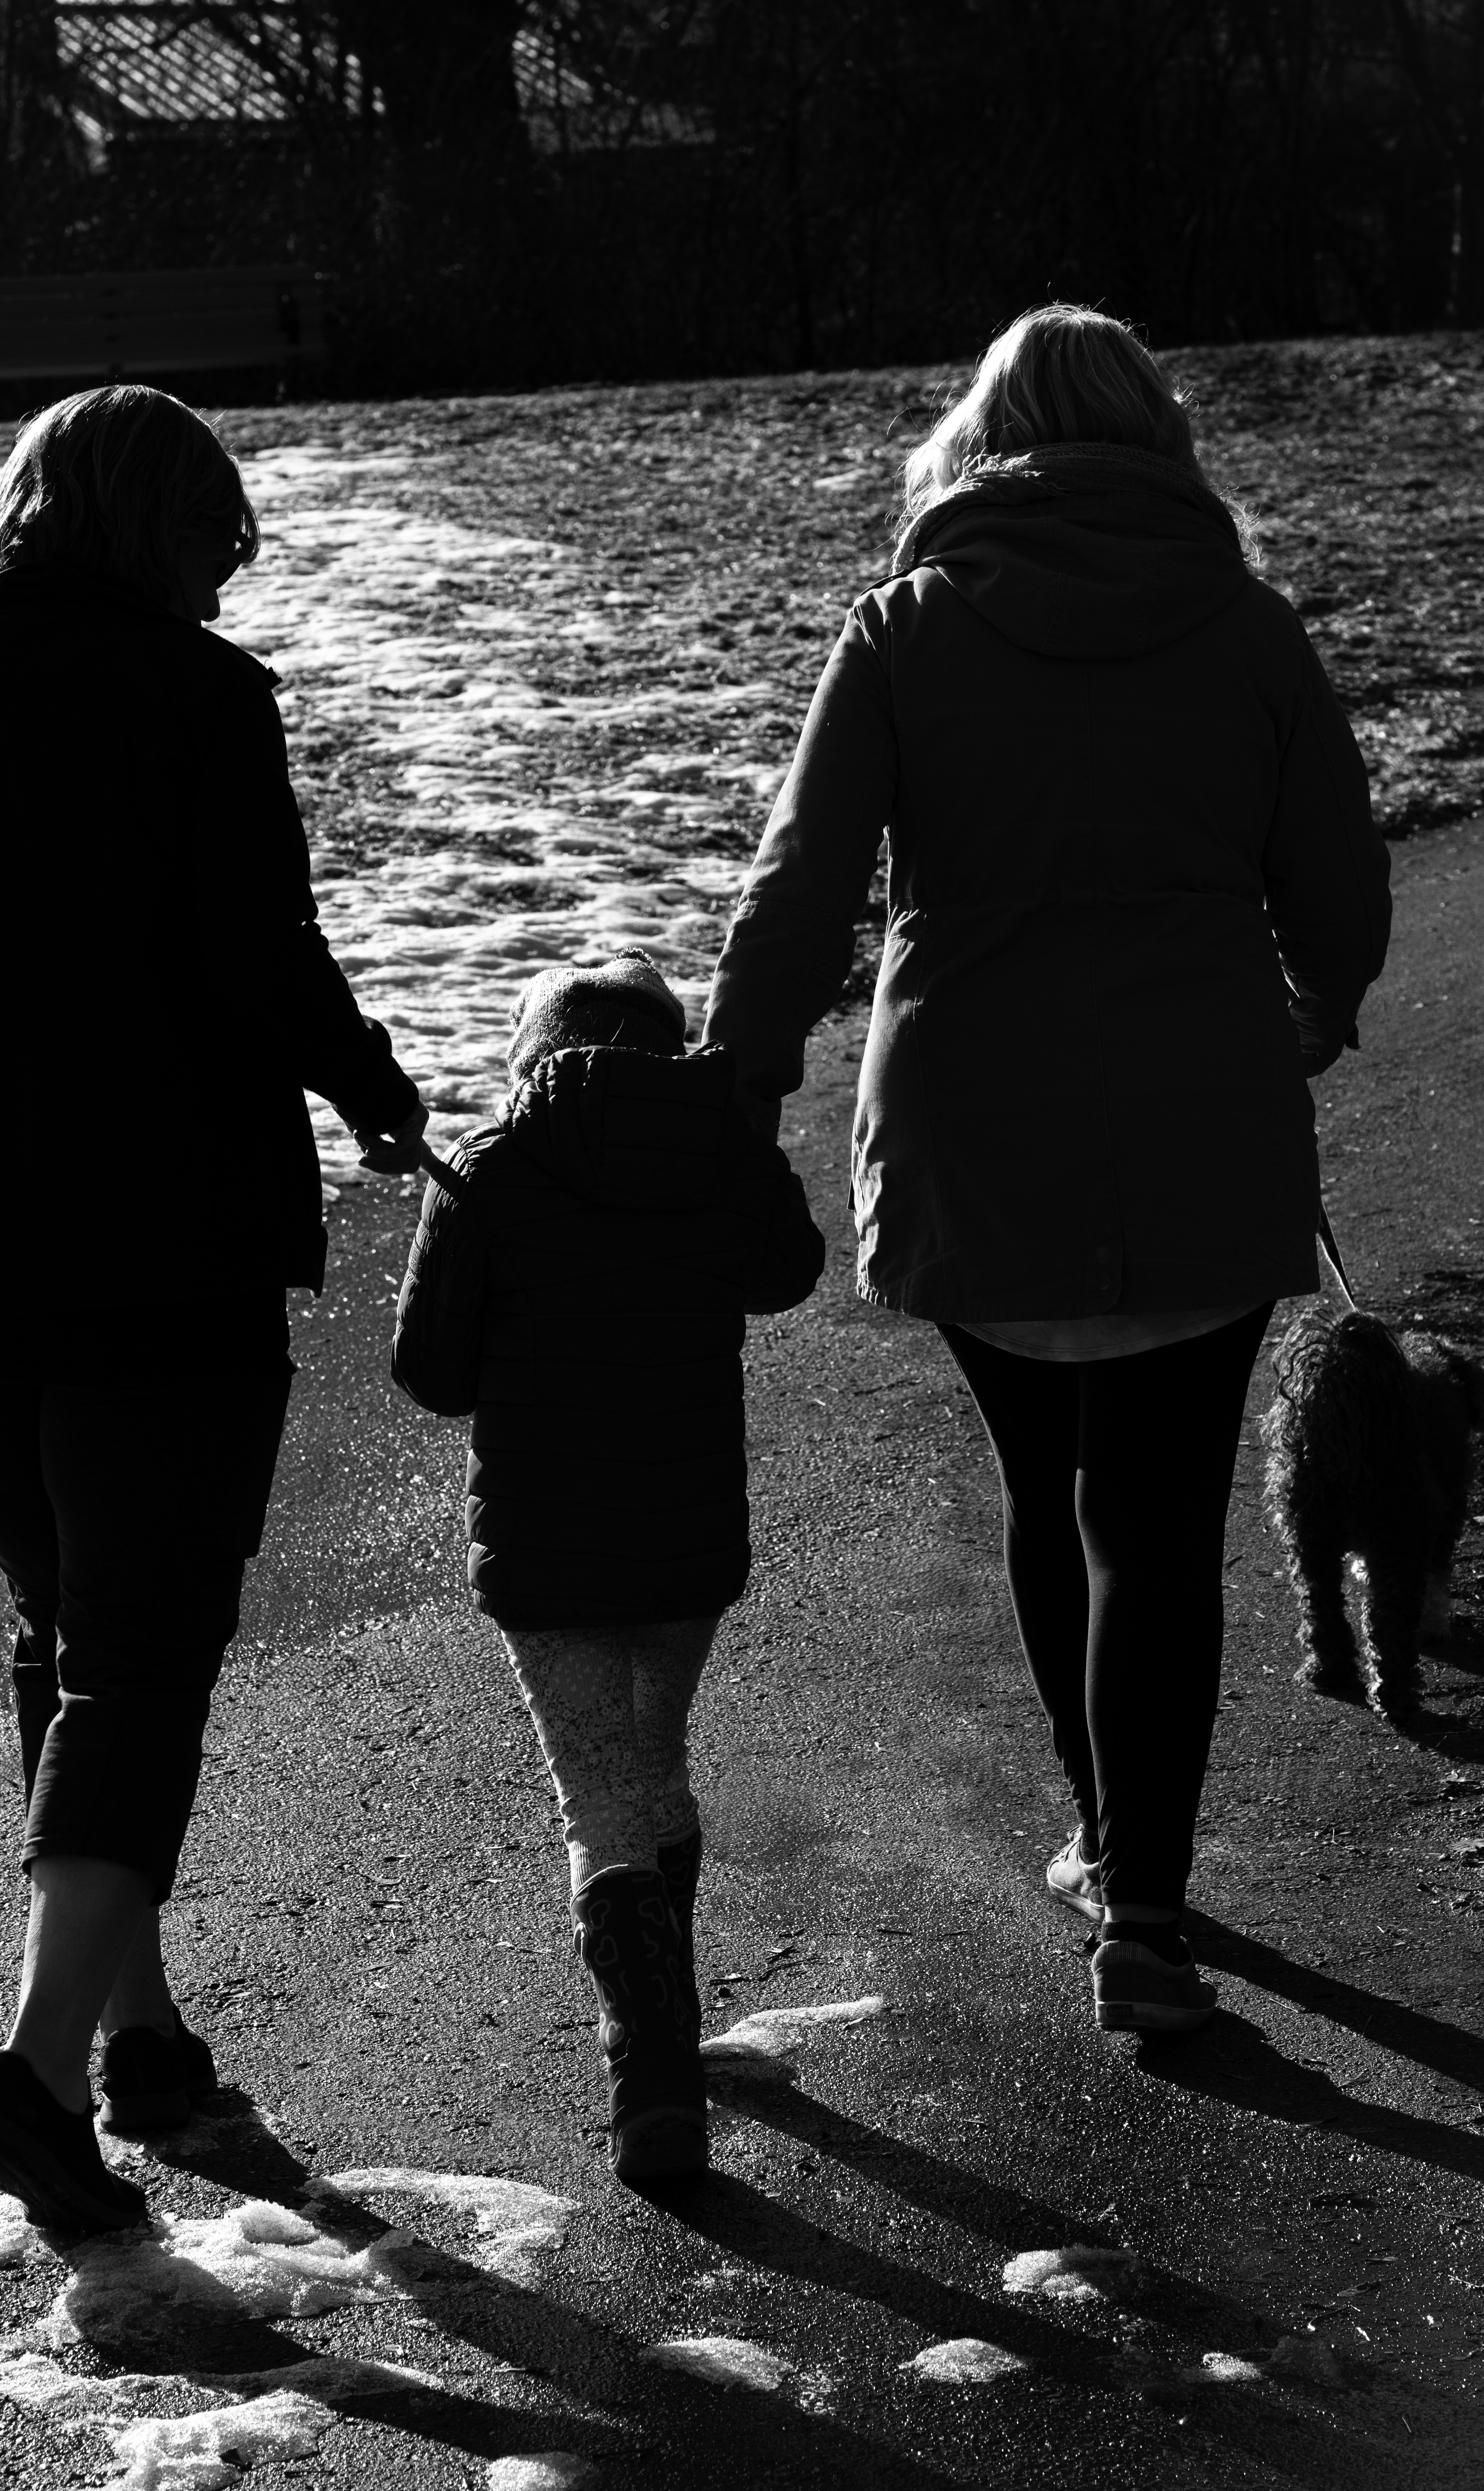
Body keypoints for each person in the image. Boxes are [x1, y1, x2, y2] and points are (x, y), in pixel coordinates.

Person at [704, 305, 1392, 2036]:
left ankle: (1101, 1833)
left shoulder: (909, 628)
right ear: (1155, 434)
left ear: (979, 443)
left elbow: (799, 886)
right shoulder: (1244, 628)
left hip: (975, 1115)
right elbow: (1342, 894)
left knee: (1048, 1495)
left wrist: (743, 1074)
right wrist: (1306, 1017)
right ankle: (1146, 1915)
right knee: (1157, 1520)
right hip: (1199, 1116)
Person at [0, 385, 426, 2231]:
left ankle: (140, 2048)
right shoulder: (194, 699)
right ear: (175, 533)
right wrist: (374, 1092)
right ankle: (37, 2081)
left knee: (77, 1629)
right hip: (158, 1247)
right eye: (220, 545)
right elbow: (256, 956)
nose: (230, 582)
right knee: (138, 1657)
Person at [390, 950, 824, 2179]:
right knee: (649, 1763)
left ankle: (651, 2084)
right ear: (669, 1046)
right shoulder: (718, 1149)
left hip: (545, 1538)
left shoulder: (491, 1168)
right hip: (684, 1532)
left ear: (531, 1052)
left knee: (600, 1795)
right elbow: (787, 1274)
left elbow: (433, 1377)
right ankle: (665, 2034)